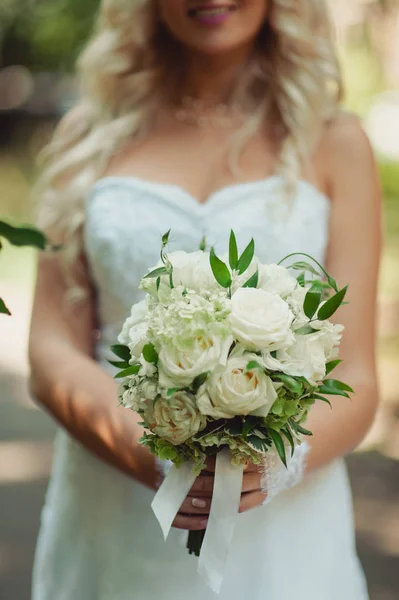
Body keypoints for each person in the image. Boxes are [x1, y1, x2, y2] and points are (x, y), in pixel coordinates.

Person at [29, 1, 382, 599]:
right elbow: (49, 346)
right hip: (115, 511)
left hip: (283, 535)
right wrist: (152, 453)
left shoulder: (333, 139)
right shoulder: (87, 135)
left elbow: (359, 376)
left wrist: (277, 463)